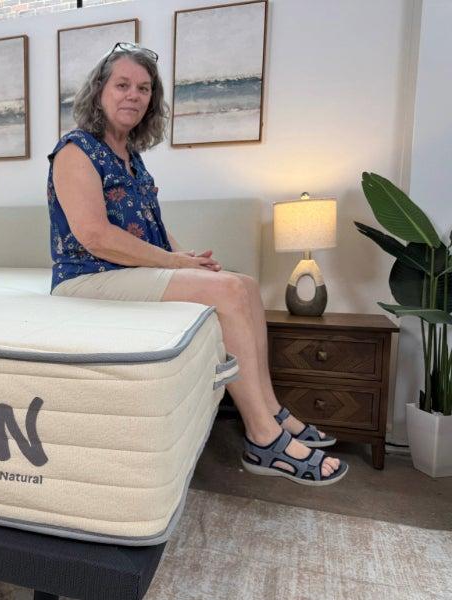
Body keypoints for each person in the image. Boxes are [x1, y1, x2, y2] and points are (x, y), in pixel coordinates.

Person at [46, 42, 348, 486]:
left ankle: (272, 408)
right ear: (99, 91)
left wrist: (186, 259)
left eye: (144, 88)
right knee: (225, 290)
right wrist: (173, 262)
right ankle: (263, 439)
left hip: (133, 271)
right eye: (123, 85)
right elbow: (95, 235)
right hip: (87, 276)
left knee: (240, 283)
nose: (134, 95)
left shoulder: (131, 157)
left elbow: (151, 225)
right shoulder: (75, 150)